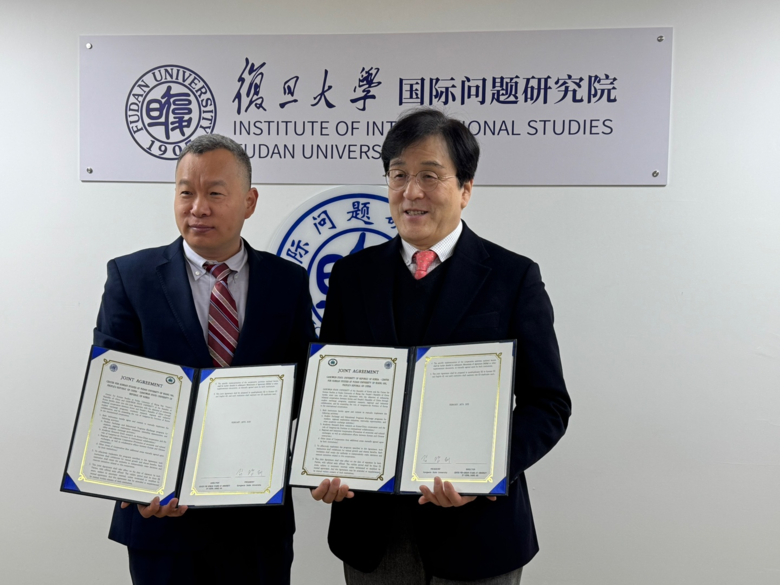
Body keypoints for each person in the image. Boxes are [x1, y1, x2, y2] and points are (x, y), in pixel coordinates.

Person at [312, 108, 571, 584]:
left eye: (429, 176)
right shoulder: (352, 276)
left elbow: (548, 403)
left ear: (465, 189)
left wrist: (488, 472)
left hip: (478, 532)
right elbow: (331, 394)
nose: (411, 192)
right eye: (399, 176)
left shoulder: (513, 277)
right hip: (372, 533)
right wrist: (326, 462)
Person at [93, 134, 316, 584]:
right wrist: (135, 481)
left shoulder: (287, 282)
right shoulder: (131, 277)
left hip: (255, 522)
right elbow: (114, 391)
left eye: (215, 193)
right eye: (186, 193)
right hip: (162, 517)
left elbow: (305, 389)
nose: (198, 208)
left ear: (249, 202)